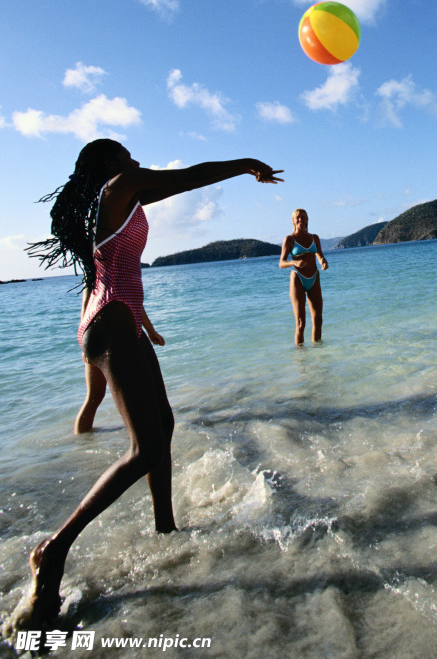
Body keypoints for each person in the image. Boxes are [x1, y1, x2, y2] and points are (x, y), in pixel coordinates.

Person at [14, 139, 282, 630]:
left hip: (124, 319)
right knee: (144, 447)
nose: (134, 160)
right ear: (108, 164)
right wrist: (245, 163)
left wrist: (145, 322)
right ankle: (53, 550)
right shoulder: (119, 187)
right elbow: (188, 177)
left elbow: (171, 192)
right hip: (110, 322)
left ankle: (165, 527)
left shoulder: (122, 197)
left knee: (164, 423)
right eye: (125, 153)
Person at [74, 305, 164, 434]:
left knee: (98, 396)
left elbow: (137, 303)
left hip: (102, 335)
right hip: (102, 335)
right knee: (96, 395)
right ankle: (80, 445)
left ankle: (83, 445)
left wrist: (151, 331)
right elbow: (86, 305)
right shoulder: (95, 284)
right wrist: (84, 344)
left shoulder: (123, 285)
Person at [279, 208, 328, 345]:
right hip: (298, 278)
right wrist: (294, 262)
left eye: (303, 217)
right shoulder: (289, 239)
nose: (301, 219)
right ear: (293, 221)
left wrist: (323, 262)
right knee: (301, 323)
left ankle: (318, 357)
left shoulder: (314, 238)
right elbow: (281, 263)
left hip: (314, 277)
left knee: (318, 320)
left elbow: (319, 255)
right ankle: (301, 362)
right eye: (298, 217)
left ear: (307, 220)